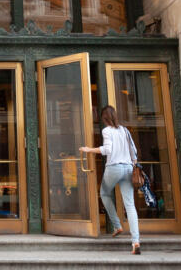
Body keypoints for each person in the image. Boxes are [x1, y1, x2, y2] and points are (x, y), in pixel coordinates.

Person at [80, 105, 140, 255]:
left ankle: (117, 225)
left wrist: (89, 150)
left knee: (104, 193)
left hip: (114, 168)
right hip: (128, 168)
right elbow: (134, 151)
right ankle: (136, 242)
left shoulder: (107, 130)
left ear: (104, 118)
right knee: (130, 205)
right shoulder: (124, 130)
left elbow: (107, 150)